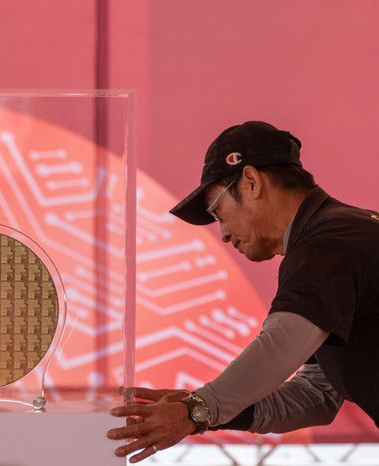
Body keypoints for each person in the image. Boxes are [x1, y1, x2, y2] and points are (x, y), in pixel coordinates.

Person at [107, 121, 379, 462]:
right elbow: (318, 394)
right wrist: (202, 414)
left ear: (250, 182)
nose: (222, 233)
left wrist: (197, 409)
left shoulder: (327, 246)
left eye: (218, 211)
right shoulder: (341, 235)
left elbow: (280, 344)